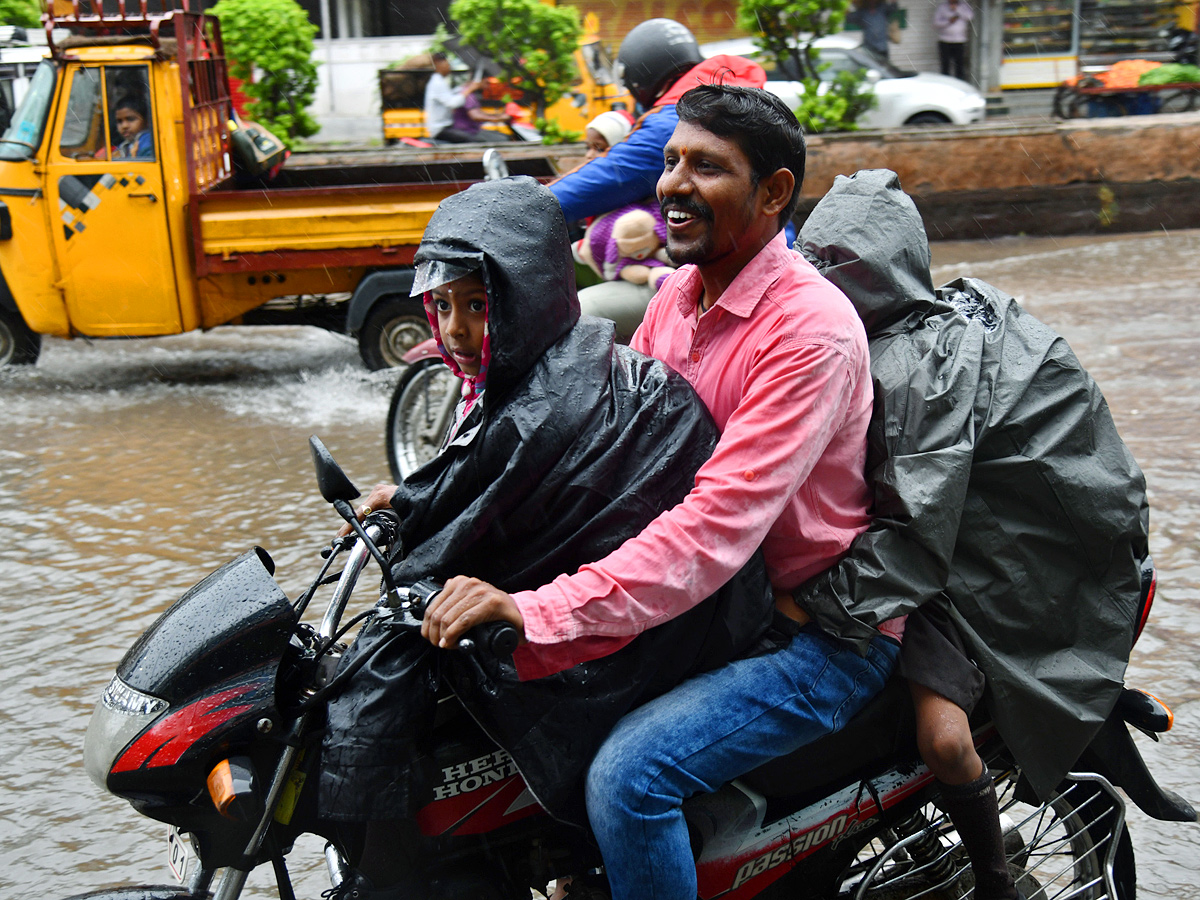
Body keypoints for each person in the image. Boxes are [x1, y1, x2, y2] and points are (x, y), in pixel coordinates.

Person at [421, 85, 905, 900]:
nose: (672, 184)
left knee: (628, 779)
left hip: (817, 632)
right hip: (714, 614)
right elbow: (596, 447)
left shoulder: (809, 331)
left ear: (774, 192)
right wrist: (424, 503)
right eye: (672, 160)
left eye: (706, 167)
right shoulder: (678, 297)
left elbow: (714, 527)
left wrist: (537, 612)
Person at [320, 175, 774, 898]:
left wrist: (512, 601)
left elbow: (526, 516)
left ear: (528, 299)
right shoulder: (512, 380)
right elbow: (480, 493)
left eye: (480, 305)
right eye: (442, 307)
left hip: (661, 642)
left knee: (621, 781)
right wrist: (411, 501)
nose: (459, 329)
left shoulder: (596, 400)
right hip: (591, 621)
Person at [796, 169, 1150, 900]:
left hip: (964, 568)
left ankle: (993, 879)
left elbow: (917, 532)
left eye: (840, 266)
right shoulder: (868, 333)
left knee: (944, 737)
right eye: (816, 261)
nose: (822, 279)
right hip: (921, 544)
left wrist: (813, 603)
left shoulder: (917, 362)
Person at [550, 19, 767, 343]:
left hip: (719, 277)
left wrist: (523, 203)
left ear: (641, 77)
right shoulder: (737, 101)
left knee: (569, 317)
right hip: (747, 263)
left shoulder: (681, 118)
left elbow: (601, 179)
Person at [423, 51, 482, 143]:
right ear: (438, 64)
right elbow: (453, 103)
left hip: (447, 127)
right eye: (447, 64)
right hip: (440, 130)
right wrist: (469, 90)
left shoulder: (439, 81)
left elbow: (449, 95)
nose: (449, 68)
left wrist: (463, 87)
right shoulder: (437, 83)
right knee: (472, 140)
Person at [446, 85, 512, 143]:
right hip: (466, 132)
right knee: (503, 139)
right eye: (487, 83)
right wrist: (498, 118)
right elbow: (475, 116)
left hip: (472, 131)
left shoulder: (471, 94)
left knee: (502, 135)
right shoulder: (469, 95)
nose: (488, 86)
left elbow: (479, 113)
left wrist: (498, 116)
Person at [933, 0, 974, 80]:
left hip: (959, 41)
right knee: (945, 65)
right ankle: (946, 84)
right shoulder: (942, 7)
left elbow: (970, 17)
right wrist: (948, 21)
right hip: (945, 40)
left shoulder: (963, 6)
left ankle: (960, 83)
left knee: (959, 65)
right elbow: (935, 23)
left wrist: (957, 10)